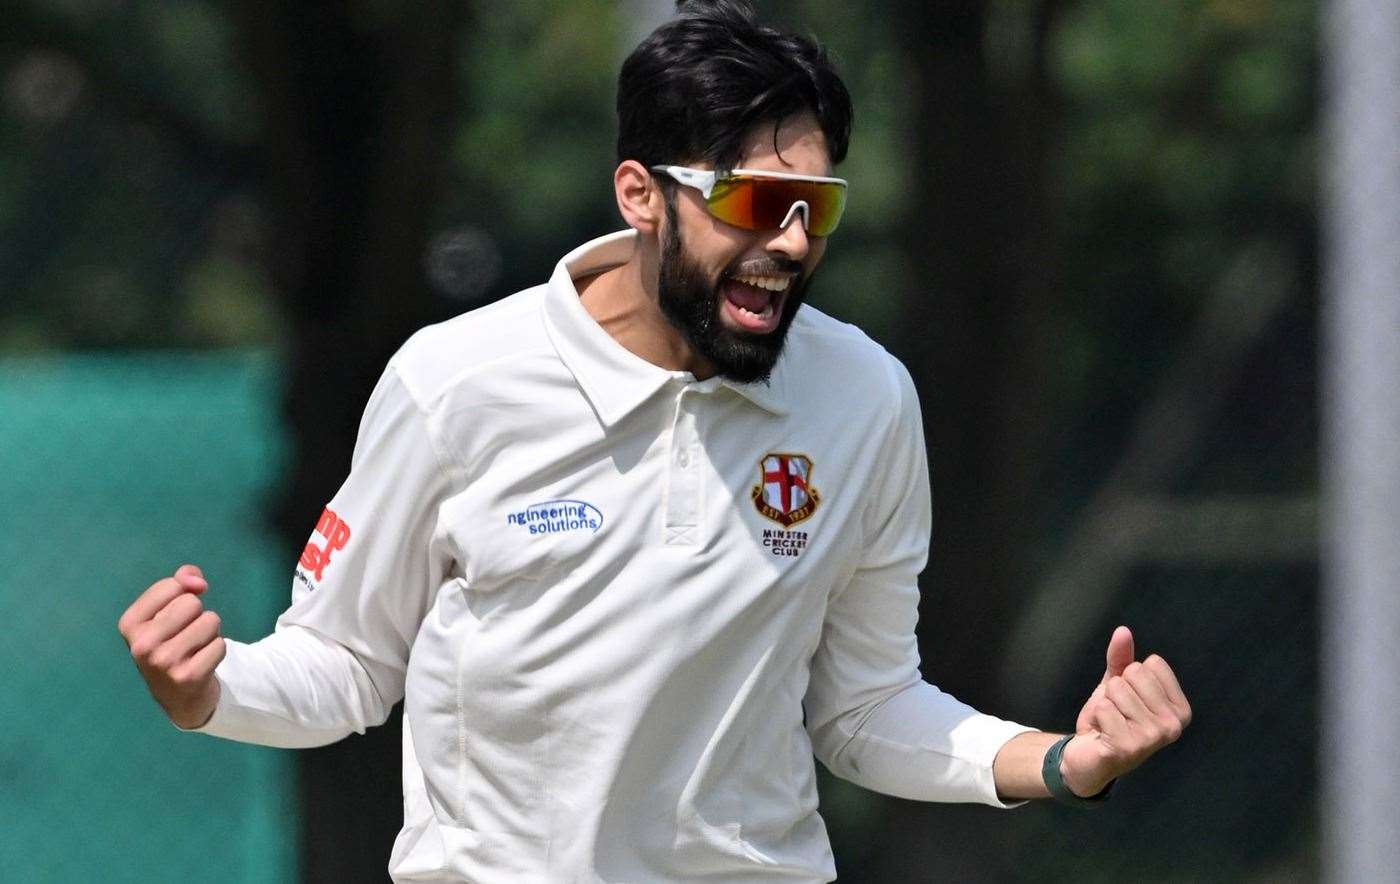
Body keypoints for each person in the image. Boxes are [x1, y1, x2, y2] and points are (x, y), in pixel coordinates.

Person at [117, 1, 1191, 881]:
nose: (788, 243)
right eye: (756, 202)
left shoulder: (863, 395)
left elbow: (864, 703)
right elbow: (344, 663)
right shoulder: (456, 381)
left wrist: (1061, 760)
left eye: (815, 208)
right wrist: (206, 690)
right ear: (640, 193)